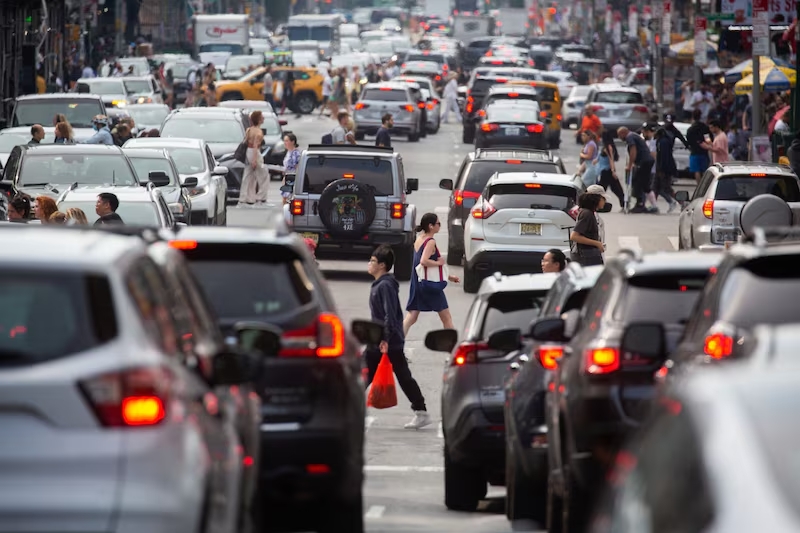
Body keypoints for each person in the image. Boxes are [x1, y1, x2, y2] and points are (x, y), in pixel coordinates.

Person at [366, 244, 432, 430]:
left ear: (382, 265)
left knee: (373, 374)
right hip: (382, 340)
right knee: (398, 376)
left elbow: (390, 315)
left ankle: (421, 411)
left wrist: (385, 339)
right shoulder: (381, 284)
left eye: (372, 261)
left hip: (386, 341)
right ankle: (421, 411)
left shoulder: (385, 286)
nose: (369, 264)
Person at [403, 213, 460, 337]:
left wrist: (449, 277)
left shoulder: (420, 239)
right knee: (446, 317)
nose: (440, 226)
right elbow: (424, 261)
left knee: (411, 317)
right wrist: (438, 262)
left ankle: (396, 342)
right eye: (438, 223)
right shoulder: (430, 242)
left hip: (418, 283)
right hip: (429, 286)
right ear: (431, 226)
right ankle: (453, 347)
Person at [617, 126, 657, 213]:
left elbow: (633, 150)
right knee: (644, 184)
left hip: (644, 162)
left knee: (637, 182)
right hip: (646, 161)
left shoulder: (630, 137)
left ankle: (640, 204)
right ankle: (653, 206)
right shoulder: (634, 136)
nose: (619, 138)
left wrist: (630, 165)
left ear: (623, 133)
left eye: (619, 135)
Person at [570, 192, 606, 266]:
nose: (604, 202)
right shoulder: (587, 214)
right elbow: (574, 236)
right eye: (602, 199)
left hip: (588, 253)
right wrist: (597, 243)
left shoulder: (589, 213)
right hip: (585, 255)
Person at [596, 129, 625, 206]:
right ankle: (623, 202)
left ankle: (597, 203)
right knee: (614, 187)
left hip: (607, 171)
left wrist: (613, 171)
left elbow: (611, 159)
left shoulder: (608, 147)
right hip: (604, 170)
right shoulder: (605, 147)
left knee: (601, 188)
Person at [686, 109, 711, 183]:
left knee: (696, 170)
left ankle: (699, 185)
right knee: (704, 170)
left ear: (693, 117)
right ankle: (705, 186)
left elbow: (688, 140)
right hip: (704, 152)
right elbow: (708, 138)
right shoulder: (704, 127)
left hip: (694, 152)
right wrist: (708, 144)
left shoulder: (690, 129)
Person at [281, 133, 300, 206]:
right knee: (284, 197)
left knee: (287, 197)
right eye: (284, 141)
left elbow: (298, 166)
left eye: (287, 141)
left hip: (292, 177)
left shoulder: (295, 153)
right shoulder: (288, 152)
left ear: (293, 142)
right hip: (286, 176)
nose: (285, 143)